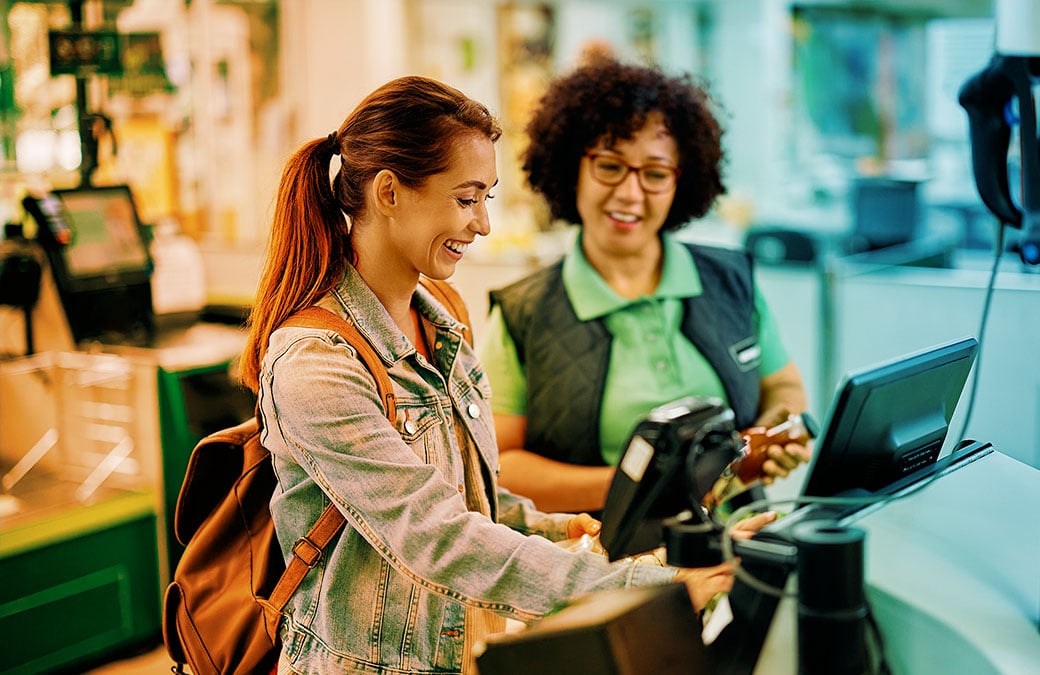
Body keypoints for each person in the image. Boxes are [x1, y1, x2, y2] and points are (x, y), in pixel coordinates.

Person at [239, 76, 772, 675]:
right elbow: (434, 536)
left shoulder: (444, 327)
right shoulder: (315, 364)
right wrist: (647, 581)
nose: (484, 224)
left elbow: (467, 500)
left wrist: (549, 526)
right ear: (389, 192)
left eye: (487, 198)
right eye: (467, 199)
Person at [480, 58, 813, 514]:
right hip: (605, 566)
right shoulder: (523, 315)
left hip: (742, 550)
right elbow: (499, 465)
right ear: (570, 166)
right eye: (610, 166)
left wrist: (772, 437)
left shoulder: (730, 281)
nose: (631, 194)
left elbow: (785, 389)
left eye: (655, 173)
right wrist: (646, 485)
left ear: (683, 180)